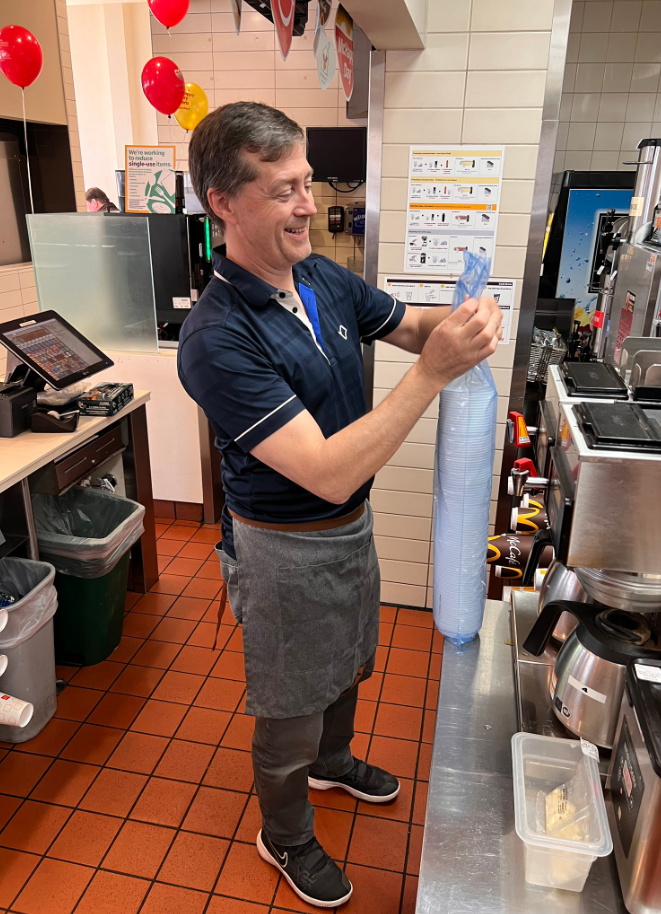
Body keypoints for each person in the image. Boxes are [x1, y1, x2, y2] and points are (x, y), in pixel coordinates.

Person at [178, 102, 502, 909]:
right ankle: (284, 832)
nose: (305, 204)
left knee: (352, 657)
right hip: (283, 546)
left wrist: (456, 322)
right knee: (288, 703)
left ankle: (334, 761)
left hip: (348, 529)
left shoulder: (320, 276)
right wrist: (432, 373)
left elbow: (406, 323)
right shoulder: (217, 336)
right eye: (283, 188)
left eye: (306, 181)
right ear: (223, 202)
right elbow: (321, 470)